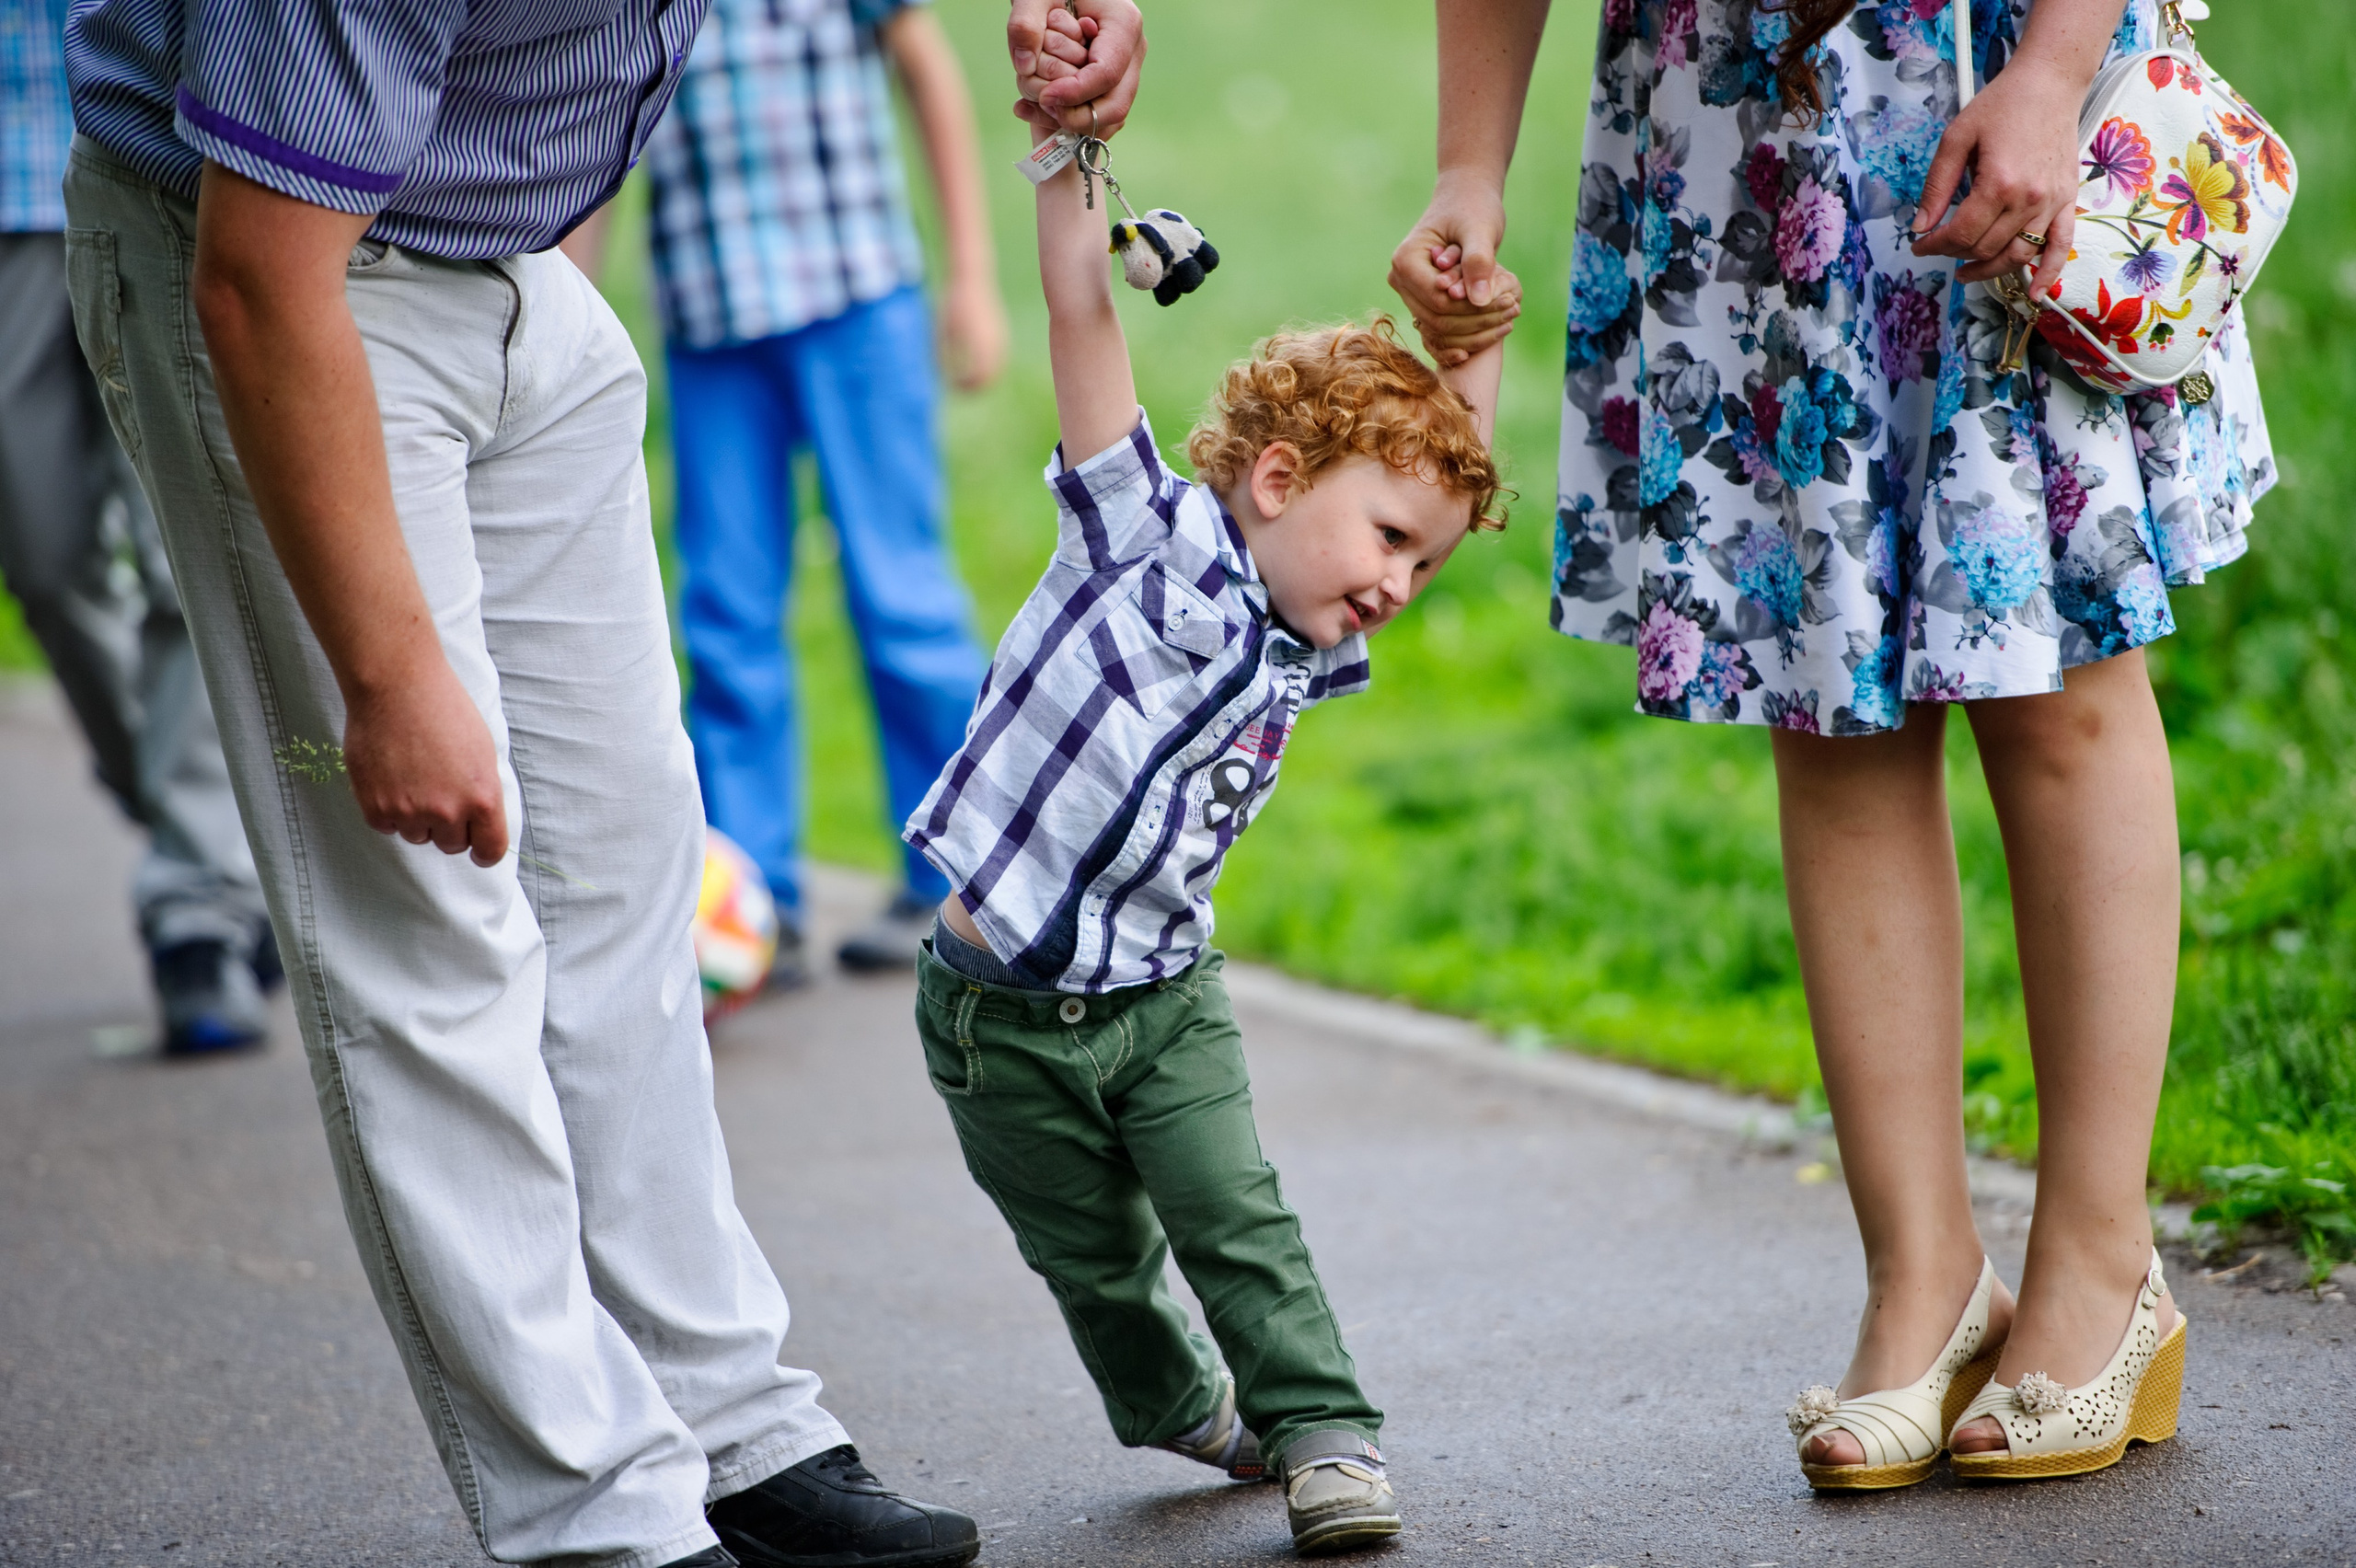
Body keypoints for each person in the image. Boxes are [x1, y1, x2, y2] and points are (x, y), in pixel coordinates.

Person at [58, 0, 986, 1562]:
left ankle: (728, 1419)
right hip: (291, 289)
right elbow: (256, 279)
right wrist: (385, 675)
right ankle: (598, 1512)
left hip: (518, 272)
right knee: (431, 925)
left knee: (628, 874)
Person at [1393, 0, 2274, 1490]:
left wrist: (2057, 71)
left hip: (1978, 78)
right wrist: (1468, 164)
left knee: (2058, 673)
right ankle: (1922, 1276)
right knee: (1825, 689)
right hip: (1737, 126)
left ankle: (2099, 1263)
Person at [904, 15, 1519, 1551]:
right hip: (989, 1015)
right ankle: (1183, 1407)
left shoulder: (1314, 644)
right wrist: (1069, 149)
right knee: (1095, 1258)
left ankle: (1324, 1432)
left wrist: (1477, 357)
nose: (1401, 583)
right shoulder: (1138, 530)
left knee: (1237, 1218)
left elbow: (1450, 484)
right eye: (1388, 541)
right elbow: (1078, 311)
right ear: (1279, 479)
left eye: (1422, 563)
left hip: (1163, 999)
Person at [641, 0, 1008, 986]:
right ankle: (757, 902)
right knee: (723, 613)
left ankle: (955, 875)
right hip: (709, 324)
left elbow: (926, 68)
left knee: (903, 599)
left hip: (857, 303)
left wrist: (968, 276)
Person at [1, 0, 275, 1054]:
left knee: (184, 556)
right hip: (10, 183)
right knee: (44, 558)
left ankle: (196, 909)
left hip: (170, 168)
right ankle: (195, 812)